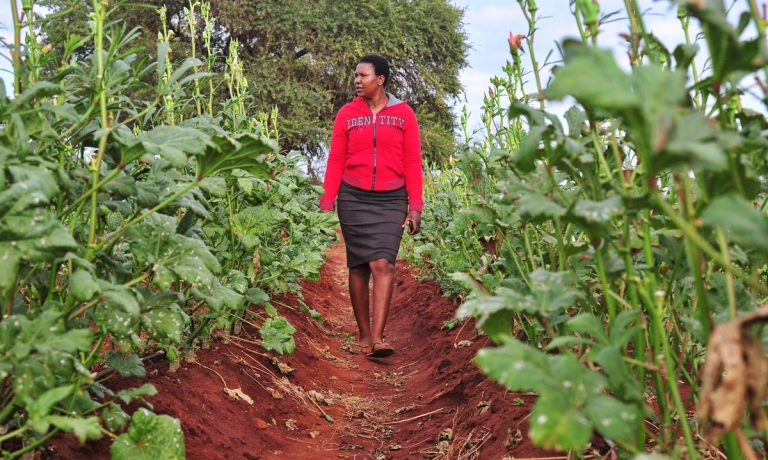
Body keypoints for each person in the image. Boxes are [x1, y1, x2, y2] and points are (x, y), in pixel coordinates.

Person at [320, 54, 424, 358]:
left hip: (393, 198)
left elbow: (413, 162)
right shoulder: (346, 115)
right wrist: (328, 199)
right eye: (355, 75)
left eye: (363, 75)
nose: (357, 80)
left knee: (384, 263)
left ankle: (378, 338)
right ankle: (364, 335)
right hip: (354, 196)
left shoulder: (404, 115)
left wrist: (414, 205)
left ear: (380, 80)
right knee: (359, 266)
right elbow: (336, 157)